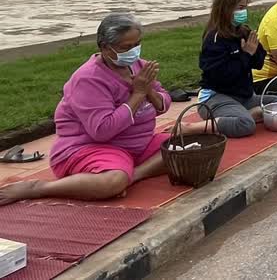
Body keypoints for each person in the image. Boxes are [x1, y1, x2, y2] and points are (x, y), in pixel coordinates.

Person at [0, 13, 203, 206]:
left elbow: (163, 104)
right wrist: (138, 94)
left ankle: (133, 175)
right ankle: (39, 188)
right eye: (126, 47)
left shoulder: (138, 66)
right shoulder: (88, 79)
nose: (134, 51)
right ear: (105, 48)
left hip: (137, 147)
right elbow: (103, 131)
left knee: (194, 149)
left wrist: (148, 90)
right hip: (89, 149)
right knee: (113, 181)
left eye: (137, 44)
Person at [198, 0, 277, 138]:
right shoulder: (214, 38)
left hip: (243, 96)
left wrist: (253, 51)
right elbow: (221, 76)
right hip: (217, 97)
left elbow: (258, 63)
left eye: (245, 8)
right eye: (240, 8)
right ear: (226, 9)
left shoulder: (242, 31)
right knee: (245, 125)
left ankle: (248, 113)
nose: (243, 12)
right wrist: (246, 55)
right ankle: (193, 128)